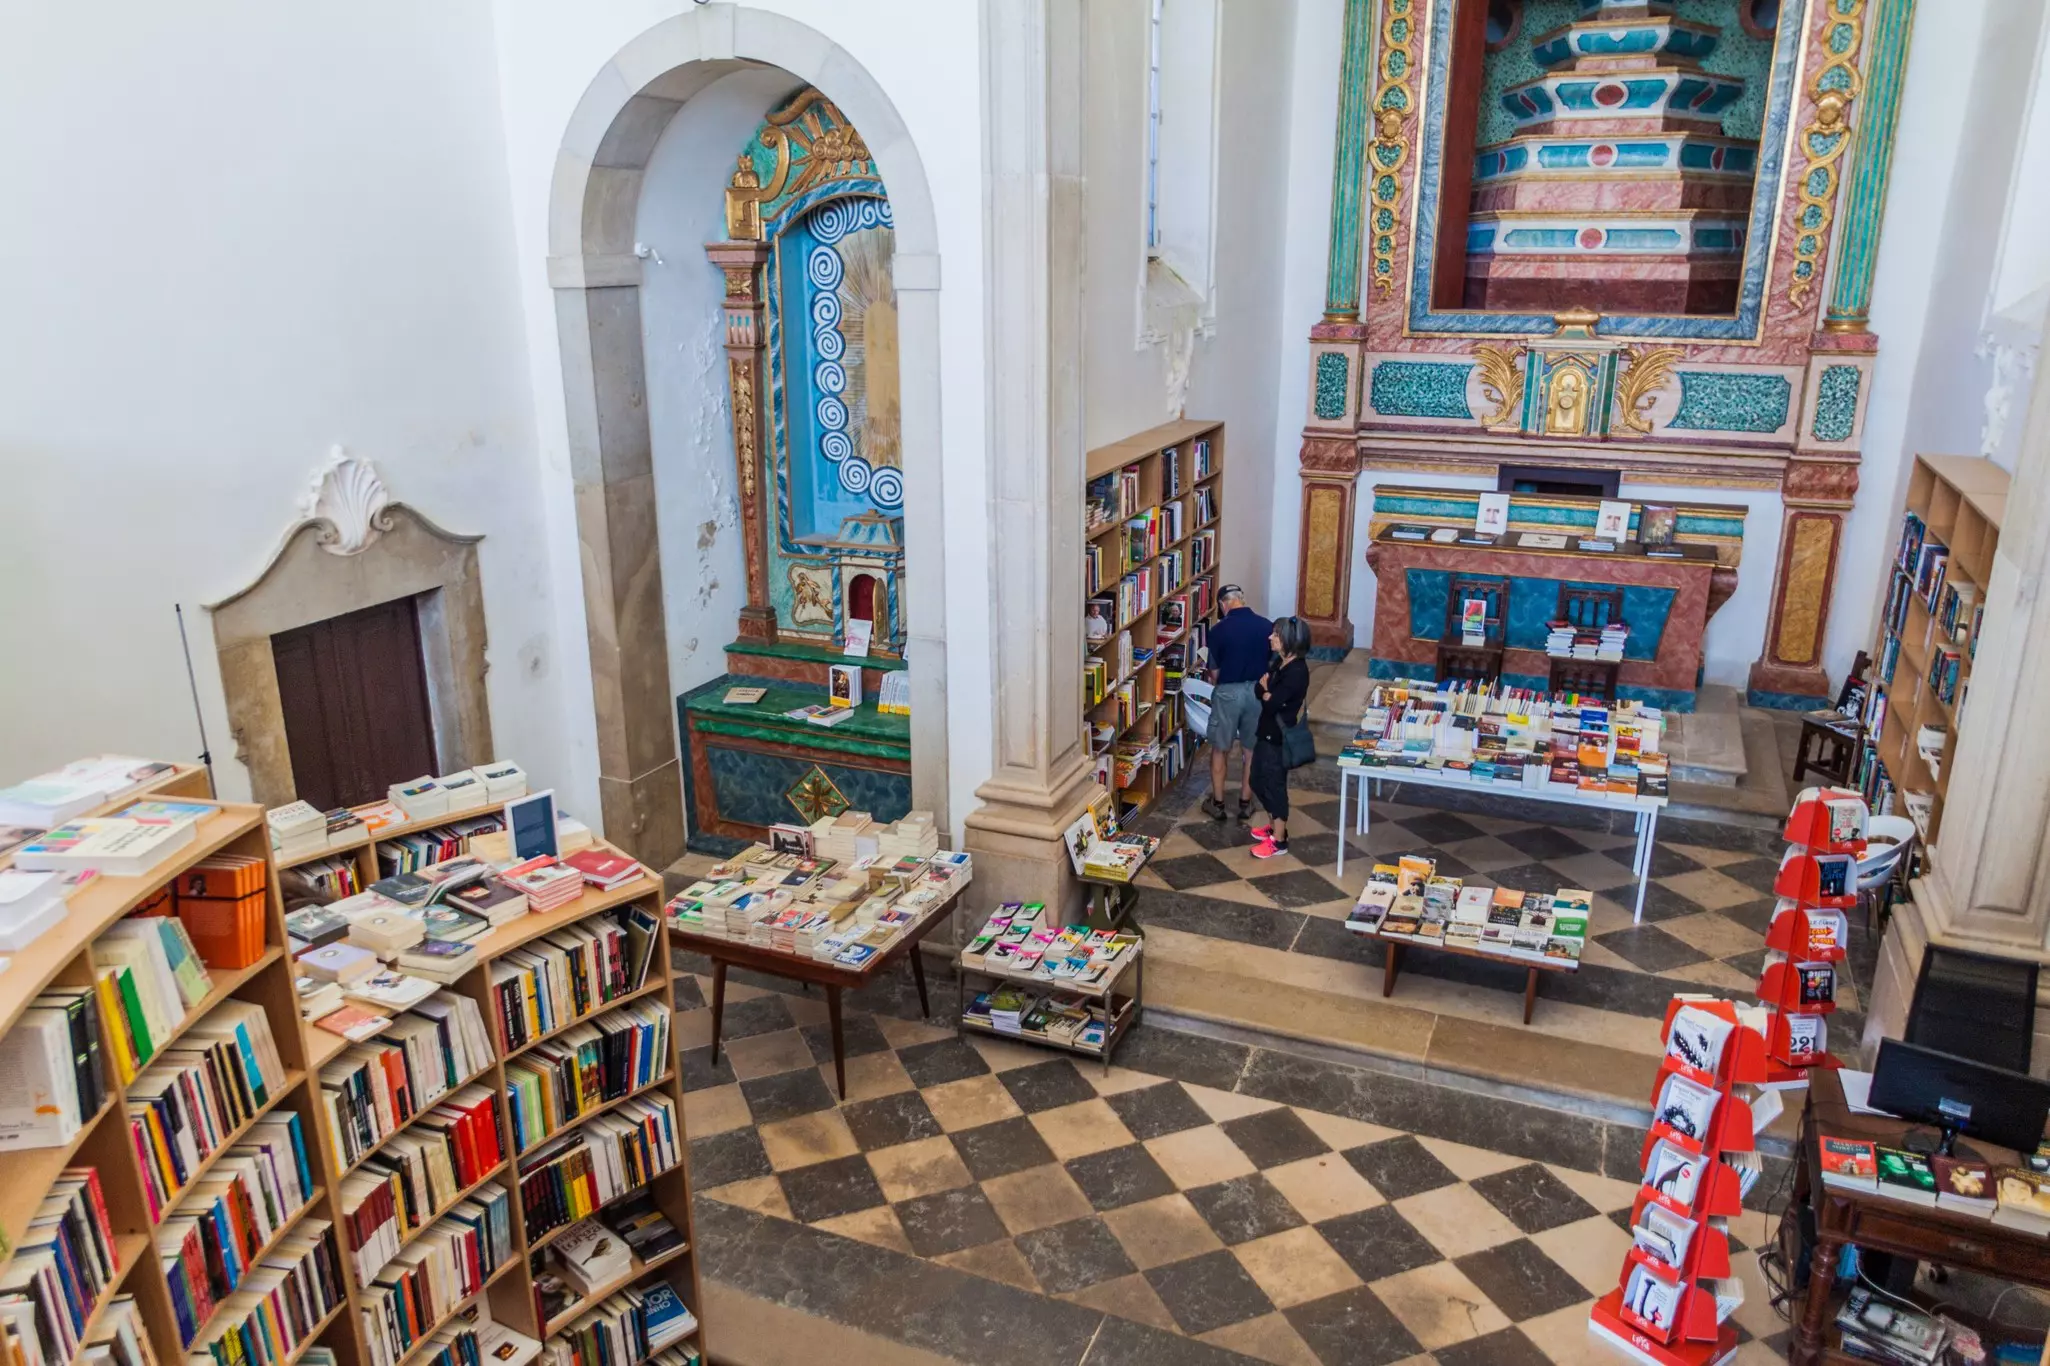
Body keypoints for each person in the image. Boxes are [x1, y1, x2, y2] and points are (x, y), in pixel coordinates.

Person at [1201, 585, 1272, 821]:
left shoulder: (1218, 630)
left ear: (1223, 604)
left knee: (1220, 748)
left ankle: (1218, 803)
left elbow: (1214, 672)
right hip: (1256, 692)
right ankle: (1245, 802)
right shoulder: (1266, 626)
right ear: (1242, 600)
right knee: (1250, 750)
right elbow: (1272, 663)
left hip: (1228, 692)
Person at [1249, 615, 1312, 860]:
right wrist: (1265, 692)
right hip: (1265, 731)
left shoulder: (1297, 671)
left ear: (1288, 640)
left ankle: (1279, 839)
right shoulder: (1279, 662)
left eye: (1275, 634)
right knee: (1257, 779)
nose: (1270, 637)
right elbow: (1259, 689)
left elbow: (1272, 702)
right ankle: (1273, 824)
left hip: (1278, 737)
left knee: (1274, 785)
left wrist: (1266, 692)